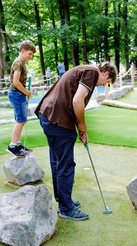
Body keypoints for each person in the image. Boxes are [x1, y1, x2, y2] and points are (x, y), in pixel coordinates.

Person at [35, 62, 117, 221]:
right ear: (106, 73)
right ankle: (66, 208)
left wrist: (79, 127)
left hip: (48, 116)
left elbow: (73, 98)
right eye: (106, 82)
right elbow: (77, 101)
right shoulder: (92, 72)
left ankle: (63, 200)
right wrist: (82, 127)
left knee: (57, 161)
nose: (102, 85)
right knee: (66, 164)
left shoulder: (83, 69)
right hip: (58, 121)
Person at [6, 40, 37, 158]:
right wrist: (27, 93)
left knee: (22, 120)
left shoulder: (22, 63)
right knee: (21, 120)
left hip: (19, 94)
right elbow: (16, 82)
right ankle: (12, 146)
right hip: (16, 94)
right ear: (22, 51)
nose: (30, 56)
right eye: (29, 54)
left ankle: (18, 144)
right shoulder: (18, 63)